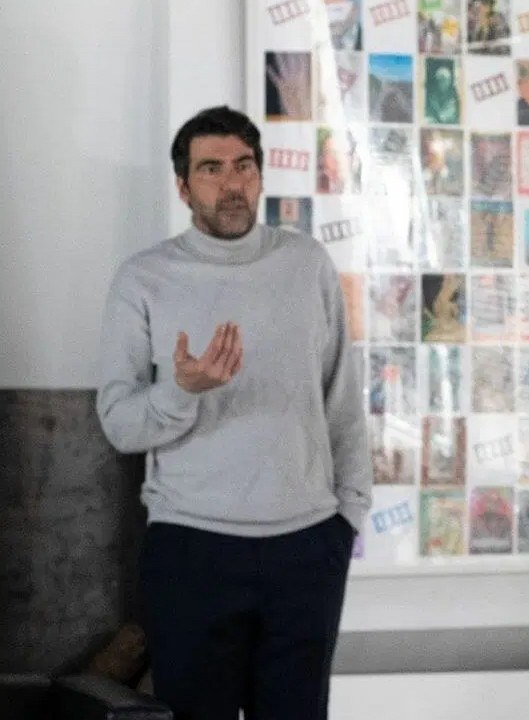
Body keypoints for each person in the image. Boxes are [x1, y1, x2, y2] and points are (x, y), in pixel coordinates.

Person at [96, 105, 370, 720]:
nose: (231, 183)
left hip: (307, 548)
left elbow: (343, 402)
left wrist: (347, 517)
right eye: (211, 169)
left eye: (243, 166)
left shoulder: (307, 264)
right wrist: (182, 391)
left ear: (261, 174)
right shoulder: (144, 278)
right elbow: (119, 422)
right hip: (192, 547)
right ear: (183, 186)